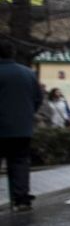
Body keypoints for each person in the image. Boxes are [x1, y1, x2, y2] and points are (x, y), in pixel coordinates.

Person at [1, 40, 43, 211]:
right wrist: (27, 114)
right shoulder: (28, 73)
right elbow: (38, 98)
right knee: (19, 162)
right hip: (22, 127)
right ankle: (21, 199)